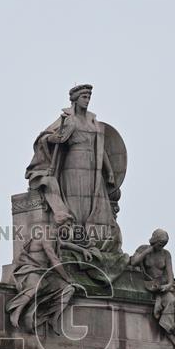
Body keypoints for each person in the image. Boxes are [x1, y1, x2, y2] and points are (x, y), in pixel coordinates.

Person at [25, 84, 124, 256]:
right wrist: (53, 138)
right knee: (75, 202)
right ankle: (75, 237)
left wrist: (108, 171)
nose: (87, 101)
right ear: (75, 99)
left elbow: (101, 149)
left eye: (89, 98)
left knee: (93, 203)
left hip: (93, 167)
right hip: (73, 163)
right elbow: (44, 136)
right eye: (84, 97)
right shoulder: (67, 118)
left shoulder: (93, 122)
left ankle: (92, 239)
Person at [7, 220, 96, 334]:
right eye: (68, 225)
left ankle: (50, 318)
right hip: (31, 270)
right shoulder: (47, 236)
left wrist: (82, 250)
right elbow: (54, 260)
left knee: (68, 289)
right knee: (36, 287)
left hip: (45, 273)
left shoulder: (54, 236)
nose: (70, 228)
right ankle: (16, 310)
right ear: (59, 224)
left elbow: (65, 244)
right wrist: (68, 278)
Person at [129, 229, 175, 349]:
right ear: (154, 240)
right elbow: (133, 262)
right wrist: (148, 251)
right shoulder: (143, 249)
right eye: (160, 243)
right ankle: (172, 334)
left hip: (167, 286)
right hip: (152, 285)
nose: (162, 246)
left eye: (164, 244)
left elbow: (170, 276)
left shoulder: (166, 254)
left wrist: (168, 286)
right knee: (171, 301)